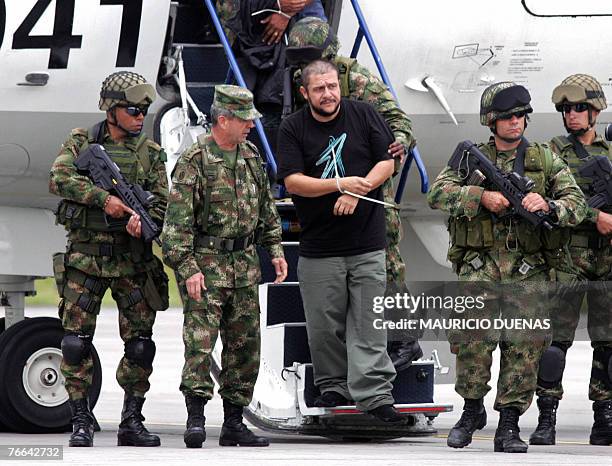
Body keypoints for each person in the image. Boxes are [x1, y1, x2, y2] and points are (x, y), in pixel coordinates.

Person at [427, 82, 586, 453]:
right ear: (491, 122)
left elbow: (576, 204)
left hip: (527, 269)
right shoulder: (471, 158)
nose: (516, 122)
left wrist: (546, 205)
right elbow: (437, 193)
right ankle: (470, 412)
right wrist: (481, 196)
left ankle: (510, 424)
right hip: (480, 267)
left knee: (524, 348)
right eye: (508, 117)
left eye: (521, 116)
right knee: (471, 342)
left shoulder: (544, 159)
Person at [286, 17, 422, 369]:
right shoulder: (303, 82)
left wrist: (397, 146)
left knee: (387, 263)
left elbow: (398, 120)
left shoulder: (354, 79)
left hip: (370, 184)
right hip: (331, 188)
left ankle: (406, 338)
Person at [276, 59, 403, 423]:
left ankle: (376, 396)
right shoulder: (292, 127)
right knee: (324, 325)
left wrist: (357, 192)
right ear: (305, 93)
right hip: (319, 246)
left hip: (366, 244)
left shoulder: (364, 114)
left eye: (332, 86)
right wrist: (339, 184)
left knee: (368, 322)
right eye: (319, 88)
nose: (328, 94)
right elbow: (293, 182)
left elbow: (386, 163)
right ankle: (333, 385)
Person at [161, 85, 287, 448]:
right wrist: (188, 270)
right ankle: (196, 418)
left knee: (245, 347)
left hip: (245, 267)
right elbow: (176, 227)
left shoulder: (250, 156)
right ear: (223, 120)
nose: (250, 126)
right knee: (200, 346)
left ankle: (234, 422)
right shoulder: (195, 160)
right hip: (207, 267)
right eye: (244, 119)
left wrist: (275, 249)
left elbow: (266, 209)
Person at [49, 71, 169, 447]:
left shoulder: (151, 154)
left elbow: (164, 205)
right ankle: (80, 419)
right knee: (75, 343)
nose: (139, 117)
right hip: (85, 261)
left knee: (140, 344)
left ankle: (131, 420)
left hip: (132, 262)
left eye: (144, 110)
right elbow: (59, 178)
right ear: (111, 109)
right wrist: (106, 200)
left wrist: (143, 221)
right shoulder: (81, 141)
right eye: (133, 109)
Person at [530, 74, 612, 446]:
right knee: (555, 343)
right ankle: (546, 415)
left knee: (608, 343)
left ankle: (605, 415)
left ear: (595, 111)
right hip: (567, 256)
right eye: (565, 109)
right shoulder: (551, 153)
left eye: (580, 108)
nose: (572, 115)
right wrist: (597, 217)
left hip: (607, 259)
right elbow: (548, 203)